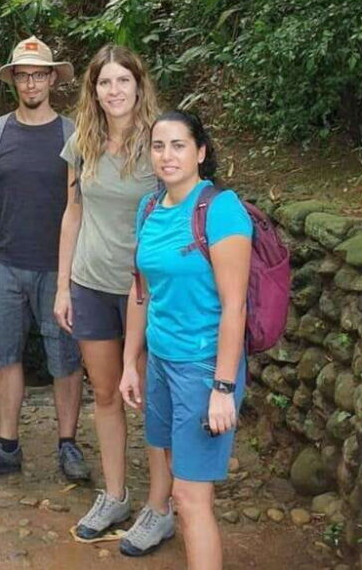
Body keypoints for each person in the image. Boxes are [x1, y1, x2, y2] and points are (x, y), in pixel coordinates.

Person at [119, 110, 251, 566]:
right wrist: (129, 363)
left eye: (179, 145)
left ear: (200, 151)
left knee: (191, 498)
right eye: (159, 145)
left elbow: (235, 306)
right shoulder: (149, 208)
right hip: (160, 360)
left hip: (203, 367)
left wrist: (223, 387)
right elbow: (142, 293)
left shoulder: (221, 209)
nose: (167, 155)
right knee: (175, 473)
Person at [0, 36, 90, 482]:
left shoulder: (73, 135)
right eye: (23, 75)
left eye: (38, 74)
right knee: (3, 354)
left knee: (66, 358)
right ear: (12, 80)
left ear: (53, 78)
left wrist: (72, 276)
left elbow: (84, 204)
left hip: (60, 267)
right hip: (3, 263)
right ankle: (7, 444)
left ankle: (68, 444)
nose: (31, 82)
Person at [54, 44, 170, 541]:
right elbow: (73, 212)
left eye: (123, 81)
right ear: (93, 89)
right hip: (91, 283)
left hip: (145, 290)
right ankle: (116, 495)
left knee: (147, 396)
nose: (114, 91)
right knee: (104, 394)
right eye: (104, 82)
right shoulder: (81, 140)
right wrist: (63, 286)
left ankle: (161, 506)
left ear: (139, 86)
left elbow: (179, 213)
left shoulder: (160, 142)